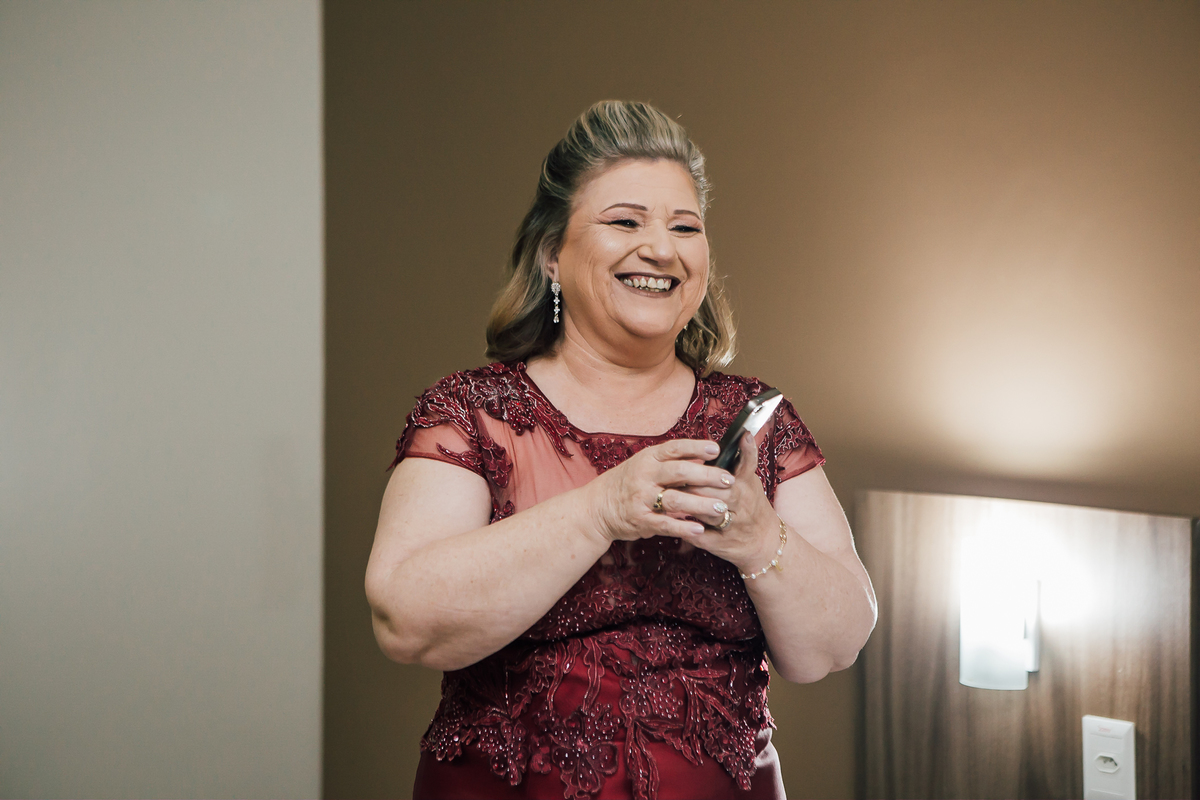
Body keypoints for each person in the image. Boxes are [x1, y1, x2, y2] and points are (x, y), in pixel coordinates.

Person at [365, 100, 877, 800]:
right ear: (553, 255)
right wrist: (602, 509)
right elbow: (405, 621)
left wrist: (758, 535)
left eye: (685, 227)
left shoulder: (755, 422)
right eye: (624, 222)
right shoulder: (472, 413)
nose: (661, 249)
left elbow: (835, 644)